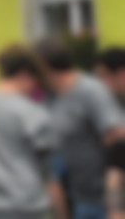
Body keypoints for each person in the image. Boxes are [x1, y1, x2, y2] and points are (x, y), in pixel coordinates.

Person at [0, 44, 60, 219]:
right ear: (24, 74)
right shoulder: (32, 113)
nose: (33, 88)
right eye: (34, 81)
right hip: (29, 207)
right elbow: (48, 172)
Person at [39, 40, 125, 219]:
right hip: (77, 196)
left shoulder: (91, 91)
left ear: (45, 68)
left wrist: (116, 205)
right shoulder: (51, 97)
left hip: (103, 199)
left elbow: (117, 139)